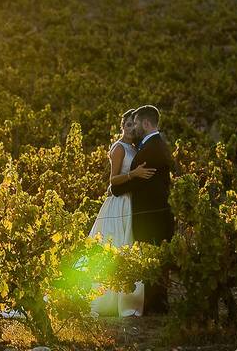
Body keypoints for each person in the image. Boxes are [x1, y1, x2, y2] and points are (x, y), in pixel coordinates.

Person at [86, 109, 155, 317]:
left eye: (134, 125)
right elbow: (113, 180)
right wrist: (134, 174)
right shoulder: (118, 148)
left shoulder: (135, 148)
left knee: (128, 245)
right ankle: (105, 299)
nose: (132, 129)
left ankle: (127, 299)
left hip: (131, 202)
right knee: (114, 244)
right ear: (122, 126)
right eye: (128, 125)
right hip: (118, 204)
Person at [110, 104, 175, 315]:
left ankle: (155, 306)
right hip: (151, 214)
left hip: (151, 216)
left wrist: (117, 187)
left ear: (146, 123)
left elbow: (133, 184)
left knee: (152, 258)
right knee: (153, 259)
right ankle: (154, 304)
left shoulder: (150, 149)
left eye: (136, 122)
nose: (134, 127)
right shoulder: (153, 145)